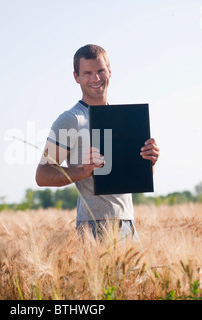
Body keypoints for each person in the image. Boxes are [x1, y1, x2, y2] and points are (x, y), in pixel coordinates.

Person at [35, 44, 160, 243]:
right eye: (87, 73)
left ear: (109, 72)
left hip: (128, 222)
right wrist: (82, 171)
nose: (95, 78)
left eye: (100, 71)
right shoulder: (71, 119)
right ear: (76, 77)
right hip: (94, 226)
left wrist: (149, 163)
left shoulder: (124, 120)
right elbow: (42, 175)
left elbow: (133, 177)